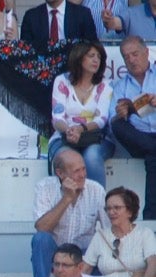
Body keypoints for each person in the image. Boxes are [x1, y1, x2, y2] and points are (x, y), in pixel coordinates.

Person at [30, 149, 108, 277]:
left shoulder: (96, 190)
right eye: (76, 171)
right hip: (55, 251)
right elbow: (41, 228)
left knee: (101, 246)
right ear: (60, 173)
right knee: (40, 239)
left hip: (84, 253)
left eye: (84, 169)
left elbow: (109, 230)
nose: (83, 174)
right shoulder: (44, 187)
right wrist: (66, 199)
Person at [83, 187, 156, 277]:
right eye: (108, 208)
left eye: (117, 208)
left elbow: (153, 263)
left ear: (129, 211)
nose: (111, 212)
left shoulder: (144, 234)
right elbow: (85, 269)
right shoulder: (100, 236)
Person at [47, 42, 113, 187]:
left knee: (91, 157)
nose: (96, 60)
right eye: (91, 56)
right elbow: (57, 117)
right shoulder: (62, 81)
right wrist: (69, 131)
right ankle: (66, 204)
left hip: (97, 138)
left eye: (99, 57)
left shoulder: (106, 84)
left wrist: (80, 129)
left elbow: (101, 119)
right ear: (79, 58)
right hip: (64, 136)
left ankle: (97, 206)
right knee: (67, 159)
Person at [109, 37, 156, 220]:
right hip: (140, 138)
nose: (132, 60)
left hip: (149, 148)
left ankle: (151, 216)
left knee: (153, 157)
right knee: (116, 124)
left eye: (135, 54)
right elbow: (112, 121)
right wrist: (122, 112)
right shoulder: (121, 86)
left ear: (146, 53)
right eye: (126, 57)